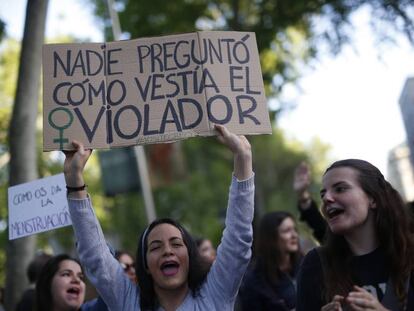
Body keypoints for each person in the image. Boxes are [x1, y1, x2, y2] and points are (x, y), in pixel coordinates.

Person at [64, 124, 254, 311]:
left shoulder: (216, 294)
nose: (167, 251)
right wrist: (74, 180)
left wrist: (243, 158)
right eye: (155, 247)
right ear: (145, 265)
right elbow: (95, 257)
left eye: (176, 244)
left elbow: (238, 240)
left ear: (189, 256)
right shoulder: (129, 304)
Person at [296, 159, 414, 310]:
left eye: (340, 189)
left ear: (373, 198)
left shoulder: (409, 254)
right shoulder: (315, 264)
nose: (326, 198)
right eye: (323, 194)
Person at [238, 211, 301, 310]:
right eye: (287, 231)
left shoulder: (305, 265)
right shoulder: (255, 281)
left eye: (294, 229)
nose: (294, 235)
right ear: (271, 237)